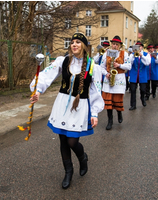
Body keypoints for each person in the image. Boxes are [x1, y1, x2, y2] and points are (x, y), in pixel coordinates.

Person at [29, 32, 104, 189]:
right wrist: (37, 91)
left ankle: (82, 158)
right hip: (62, 105)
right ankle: (68, 172)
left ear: (83, 46)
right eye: (72, 42)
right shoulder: (62, 61)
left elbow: (96, 90)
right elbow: (45, 75)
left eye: (78, 42)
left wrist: (95, 113)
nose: (74, 44)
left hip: (80, 106)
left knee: (72, 141)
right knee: (63, 139)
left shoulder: (92, 66)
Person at [100, 36, 131, 130]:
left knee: (117, 100)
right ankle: (110, 121)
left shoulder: (124, 54)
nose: (114, 46)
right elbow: (101, 67)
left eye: (116, 44)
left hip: (119, 80)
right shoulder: (106, 54)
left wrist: (120, 65)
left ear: (120, 46)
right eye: (113, 44)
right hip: (108, 80)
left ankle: (119, 113)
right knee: (108, 101)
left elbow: (129, 66)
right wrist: (106, 73)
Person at [129, 41, 151, 110]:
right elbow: (129, 62)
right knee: (132, 90)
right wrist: (133, 55)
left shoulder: (146, 54)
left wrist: (142, 56)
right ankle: (133, 105)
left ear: (142, 47)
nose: (139, 47)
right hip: (133, 75)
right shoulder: (132, 54)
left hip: (142, 75)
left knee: (143, 90)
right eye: (137, 46)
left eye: (140, 46)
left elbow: (147, 63)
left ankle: (143, 99)